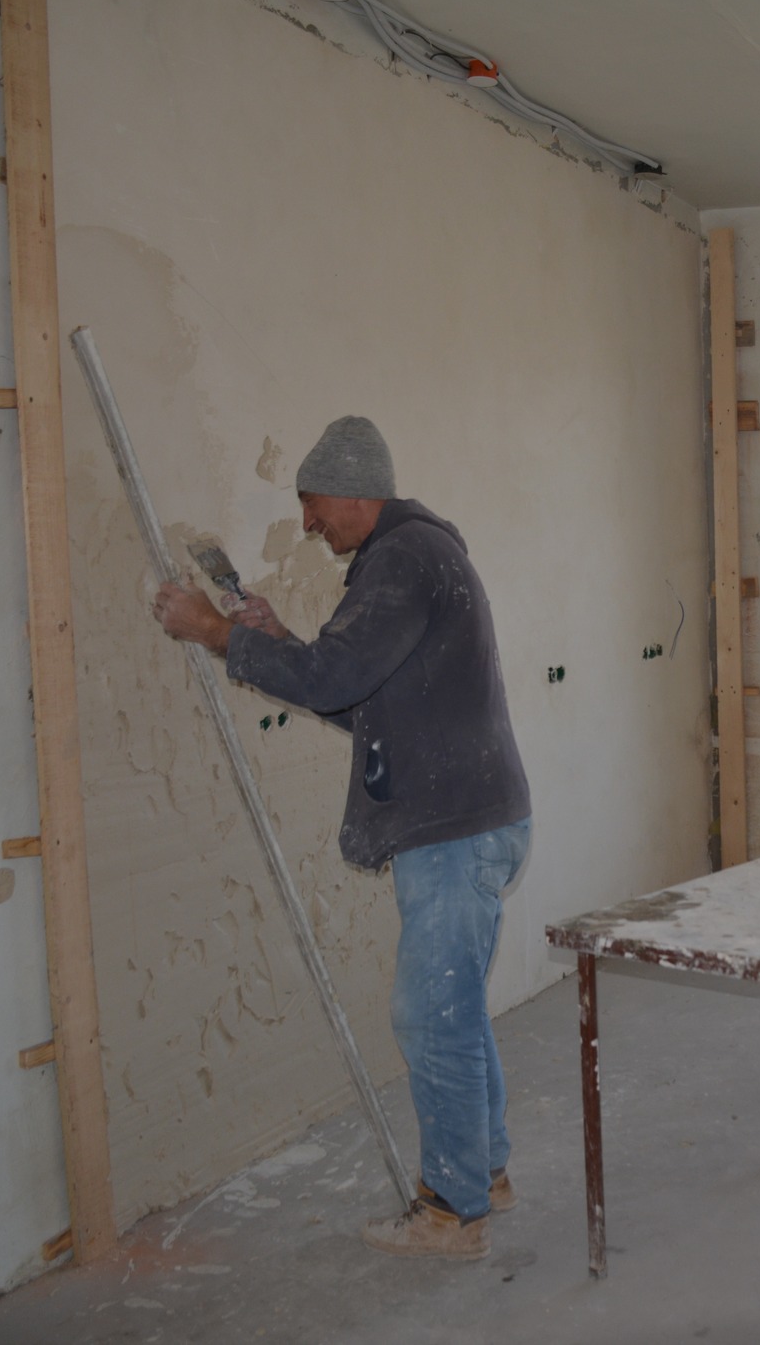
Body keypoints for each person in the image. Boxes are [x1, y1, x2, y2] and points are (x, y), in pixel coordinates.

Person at [152, 415, 531, 1261]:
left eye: (313, 502)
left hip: (454, 829)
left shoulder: (402, 558)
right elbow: (359, 699)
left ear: (356, 492)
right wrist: (277, 641)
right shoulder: (418, 554)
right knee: (453, 1009)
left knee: (429, 1017)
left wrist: (215, 630)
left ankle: (452, 1213)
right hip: (473, 818)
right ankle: (485, 1172)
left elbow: (334, 679)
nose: (308, 522)